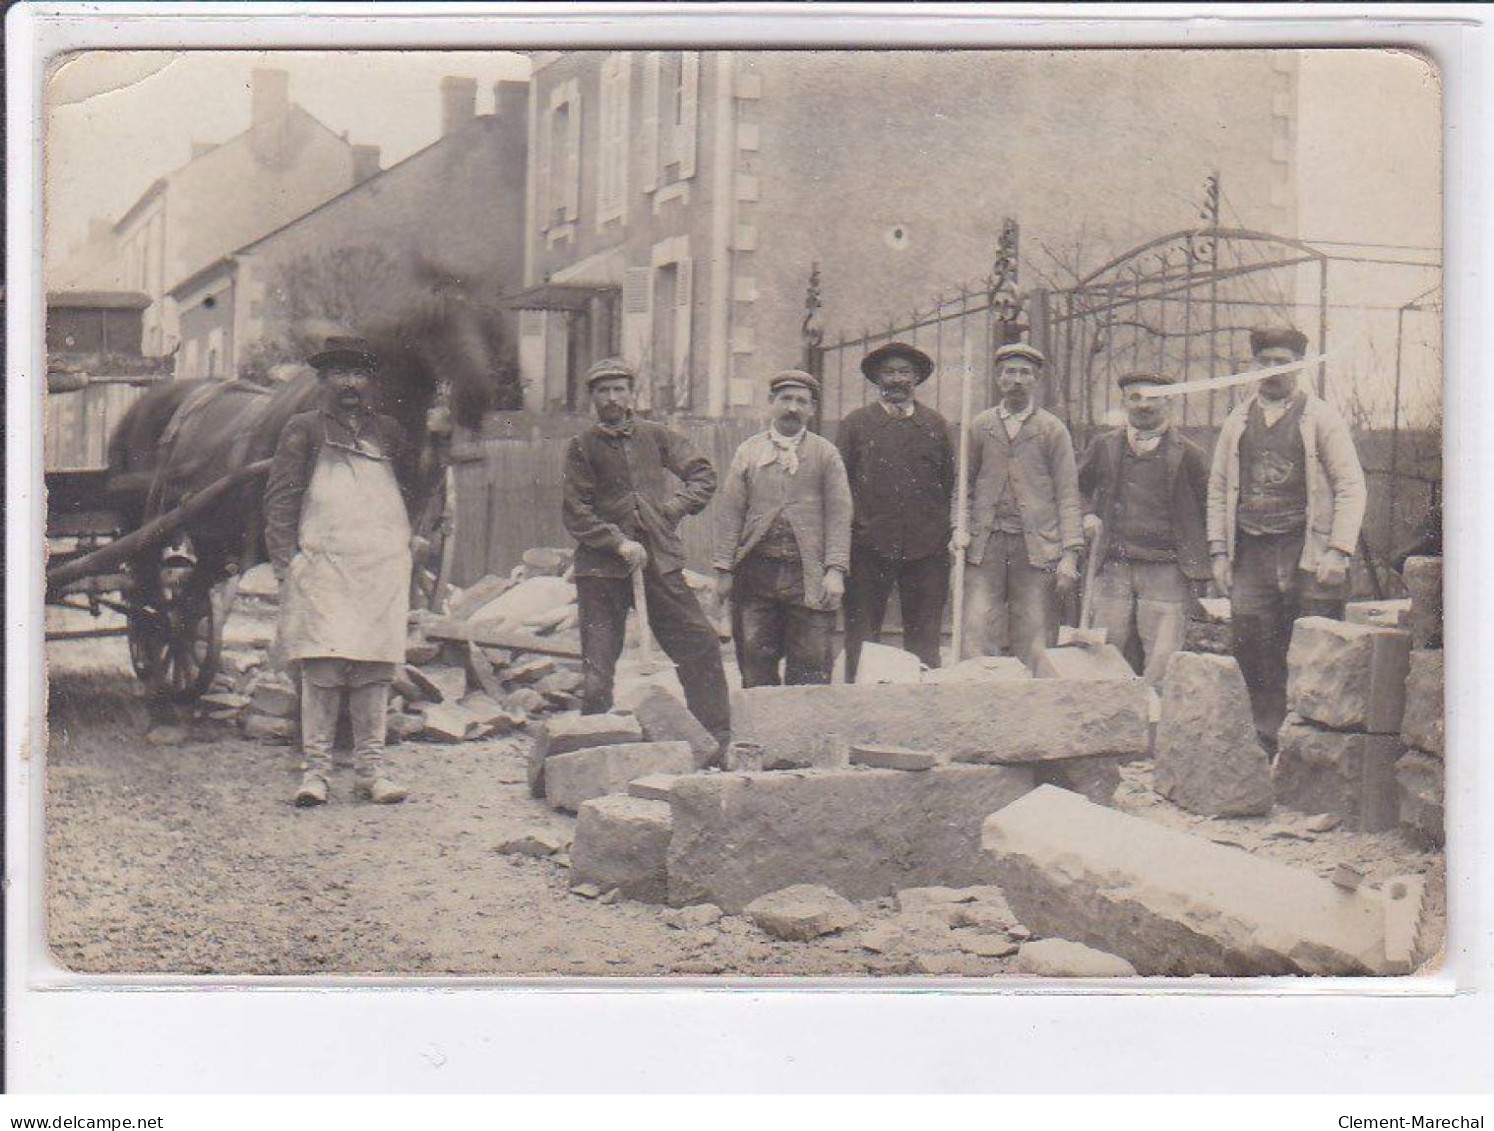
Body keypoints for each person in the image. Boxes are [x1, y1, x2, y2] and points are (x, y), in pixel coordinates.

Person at [265, 335, 412, 807]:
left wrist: (415, 537)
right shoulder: (303, 430)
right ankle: (316, 774)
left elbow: (417, 487)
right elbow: (283, 496)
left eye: (358, 373)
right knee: (323, 668)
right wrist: (286, 562)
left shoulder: (387, 431)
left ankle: (372, 772)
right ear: (323, 379)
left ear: (369, 381)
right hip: (323, 565)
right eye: (340, 374)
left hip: (379, 566)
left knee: (374, 668)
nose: (350, 383)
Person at [1207, 326, 1367, 750]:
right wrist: (1219, 553)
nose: (1273, 370)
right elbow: (1219, 489)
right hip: (1252, 551)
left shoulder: (1321, 418)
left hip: (1306, 550)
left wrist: (1338, 549)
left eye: (1283, 362)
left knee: (1314, 644)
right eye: (1265, 362)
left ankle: (1311, 745)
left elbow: (1350, 485)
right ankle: (1261, 739)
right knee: (1252, 643)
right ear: (1253, 366)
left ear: (1299, 367)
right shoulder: (1236, 422)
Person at [562, 357, 731, 748]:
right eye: (603, 391)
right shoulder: (581, 447)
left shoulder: (656, 436)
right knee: (597, 669)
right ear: (592, 398)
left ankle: (715, 738)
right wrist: (617, 541)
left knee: (700, 644)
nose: (611, 398)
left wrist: (669, 511)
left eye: (619, 389)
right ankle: (595, 748)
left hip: (660, 561)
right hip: (601, 569)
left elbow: (702, 474)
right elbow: (576, 511)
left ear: (631, 393)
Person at [714, 370, 853, 687]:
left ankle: (805, 736)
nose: (792, 408)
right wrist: (723, 569)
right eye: (785, 399)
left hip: (808, 574)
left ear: (812, 410)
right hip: (756, 573)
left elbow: (839, 515)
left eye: (801, 401)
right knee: (754, 660)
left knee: (811, 666)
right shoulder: (748, 452)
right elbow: (731, 512)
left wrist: (835, 570)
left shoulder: (825, 454)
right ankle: (760, 736)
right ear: (770, 403)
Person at [954, 342, 1083, 669]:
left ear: (1037, 380)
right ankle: (979, 705)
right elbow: (963, 485)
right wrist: (960, 528)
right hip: (986, 545)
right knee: (977, 630)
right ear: (998, 378)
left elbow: (1068, 494)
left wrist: (1070, 554)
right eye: (1010, 372)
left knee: (1035, 635)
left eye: (1025, 373)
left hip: (1037, 548)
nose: (1017, 379)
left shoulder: (1052, 430)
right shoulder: (981, 426)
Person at [1077, 371, 1211, 684]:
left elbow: (1208, 507)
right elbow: (1077, 488)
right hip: (1114, 565)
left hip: (1166, 568)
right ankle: (1107, 721)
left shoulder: (1191, 454)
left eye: (1153, 397)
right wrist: (1087, 515)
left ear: (1169, 401)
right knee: (1105, 650)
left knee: (1163, 659)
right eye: (1135, 397)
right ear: (1124, 403)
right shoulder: (1104, 446)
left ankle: (1154, 724)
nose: (1143, 405)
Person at [835, 342, 956, 680]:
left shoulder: (935, 425)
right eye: (889, 372)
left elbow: (946, 482)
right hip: (867, 548)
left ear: (916, 378)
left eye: (905, 372)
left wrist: (933, 530)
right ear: (877, 378)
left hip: (926, 549)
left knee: (925, 642)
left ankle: (924, 709)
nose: (897, 379)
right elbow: (840, 484)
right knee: (862, 639)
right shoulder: (855, 425)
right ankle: (859, 708)